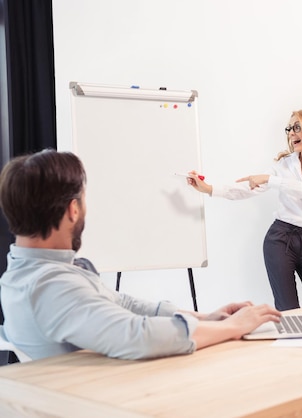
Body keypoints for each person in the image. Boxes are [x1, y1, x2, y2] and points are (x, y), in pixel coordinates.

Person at [0, 149, 281, 361]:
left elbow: (122, 303)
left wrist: (207, 318)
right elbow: (138, 335)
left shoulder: (28, 273)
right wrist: (232, 327)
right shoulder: (50, 285)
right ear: (73, 210)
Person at [187, 109, 302, 311]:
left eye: (297, 127)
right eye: (289, 129)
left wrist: (270, 180)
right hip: (282, 240)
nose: (291, 133)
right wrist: (209, 189)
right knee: (288, 310)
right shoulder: (284, 164)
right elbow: (249, 188)